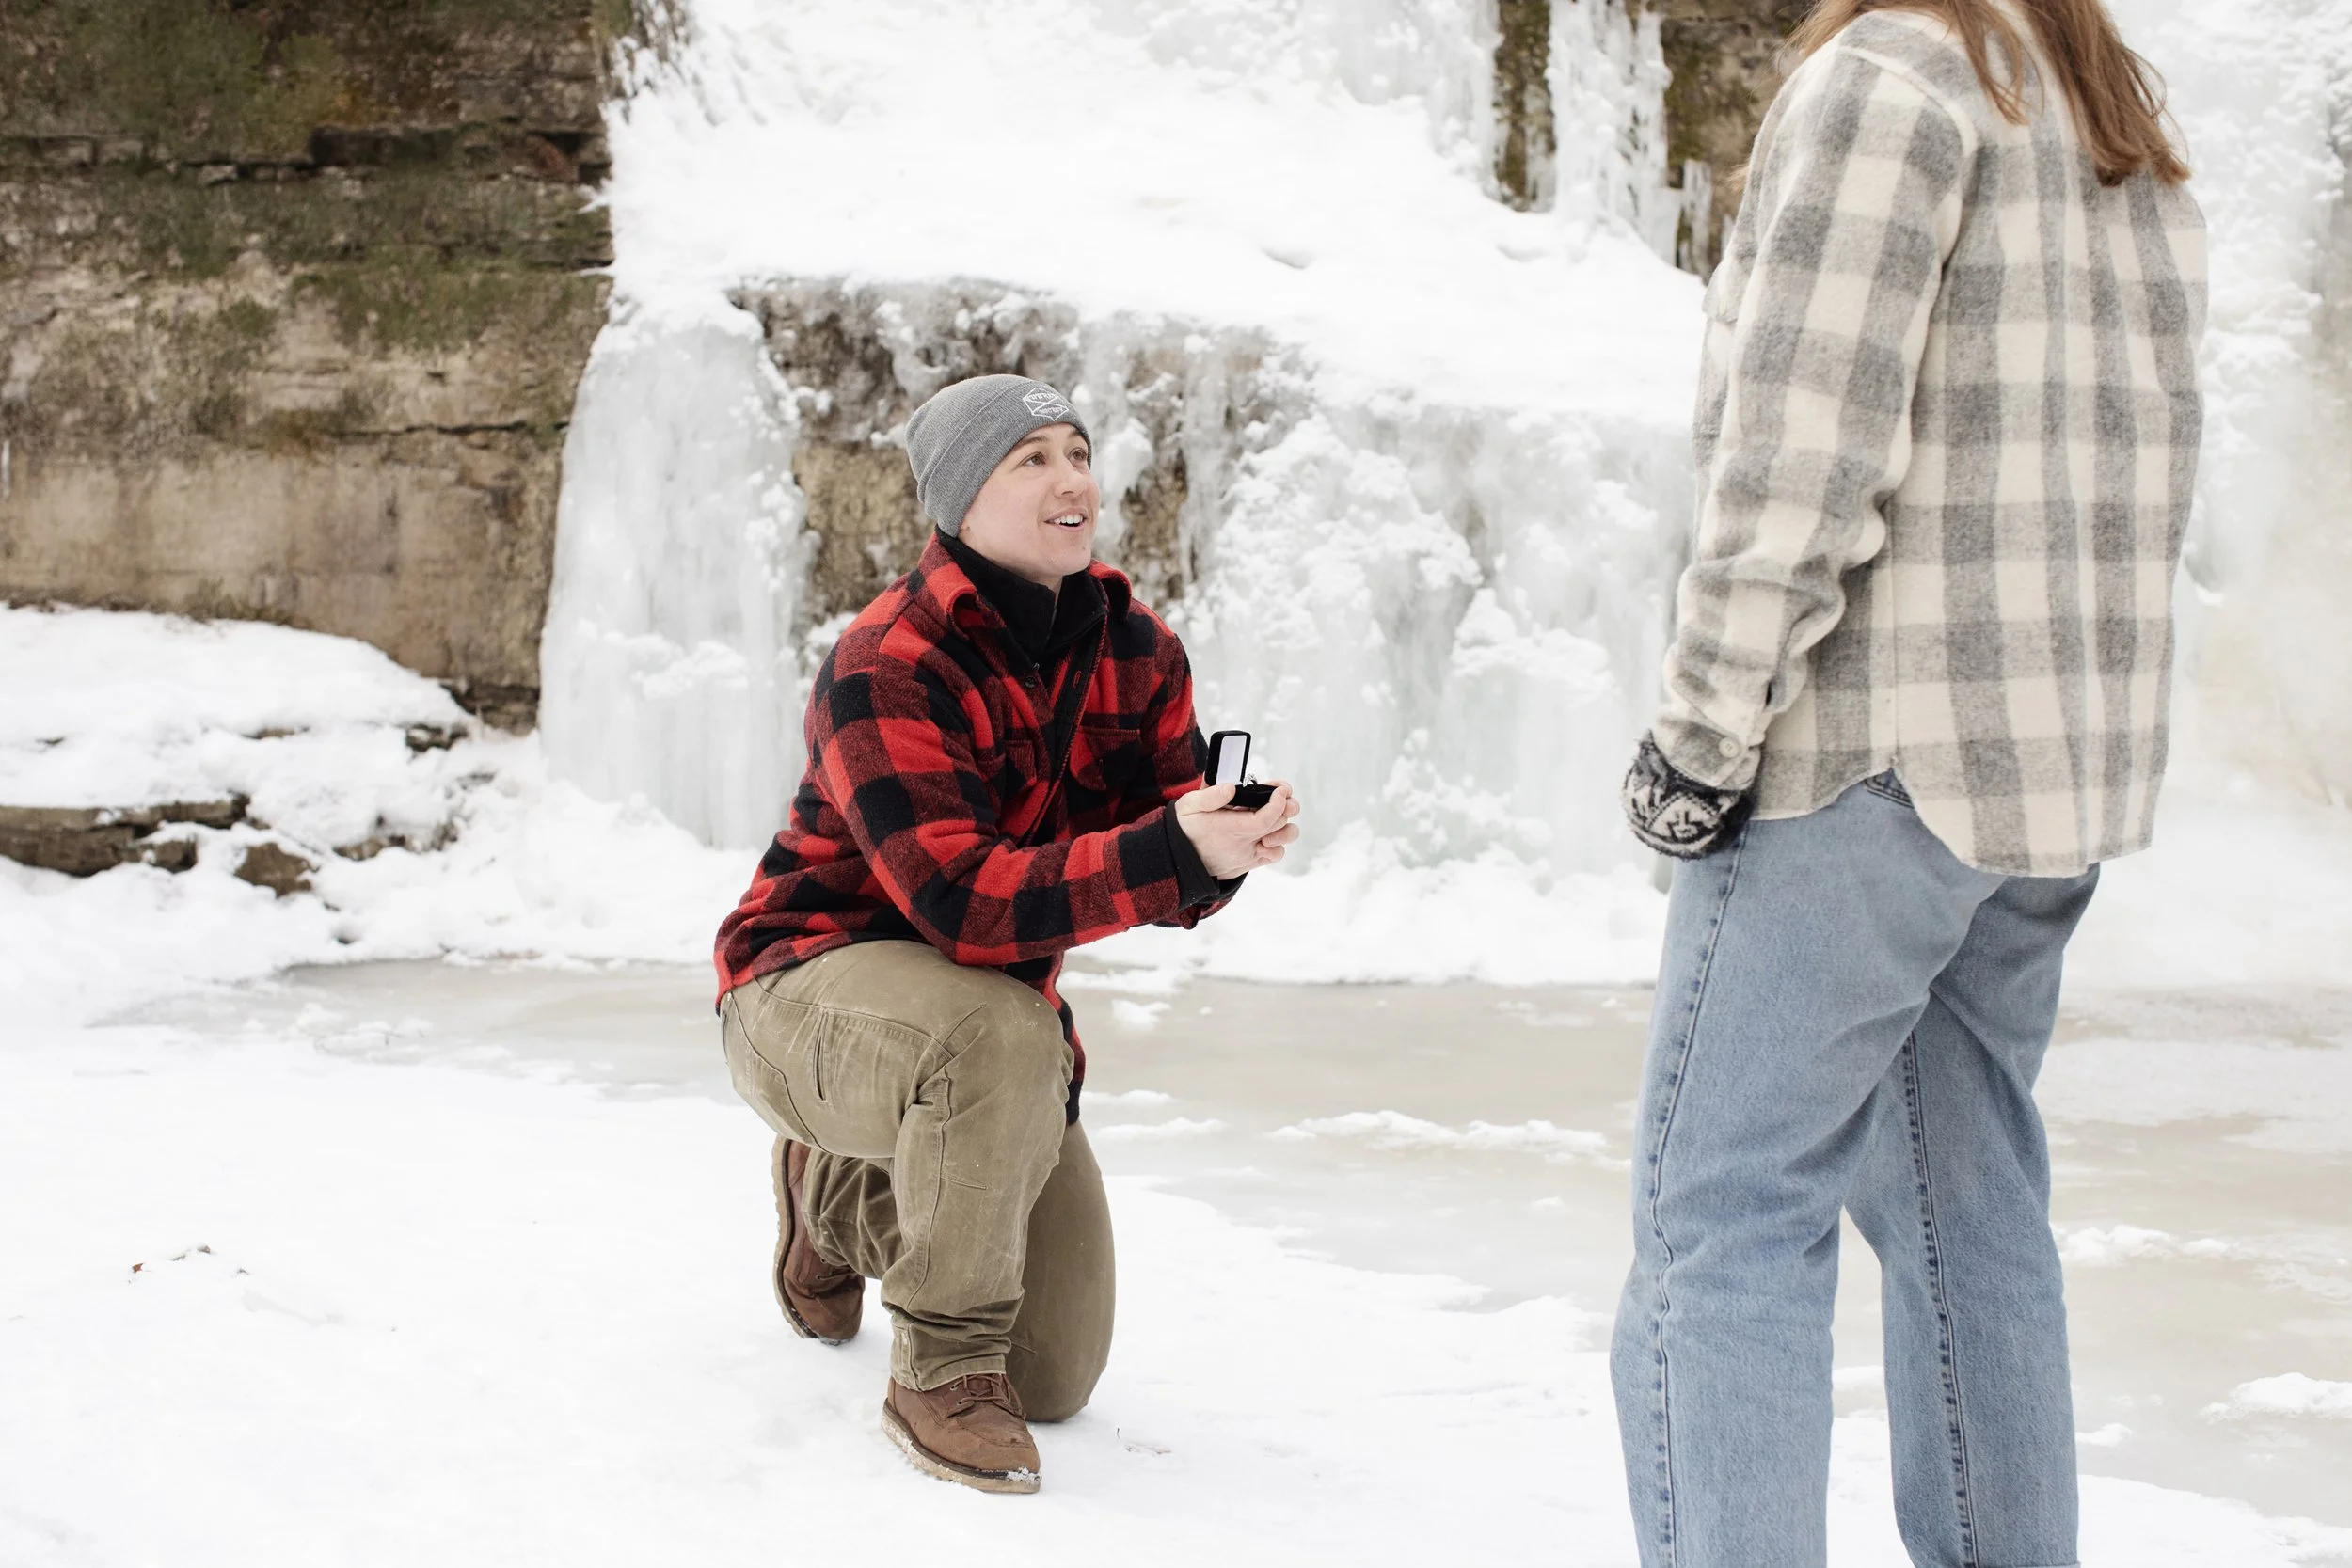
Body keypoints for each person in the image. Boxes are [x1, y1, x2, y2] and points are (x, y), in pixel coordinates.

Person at [1612, 0, 2202, 1562]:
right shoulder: (2100, 102)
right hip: (2038, 782)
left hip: (1867, 762)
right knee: (1968, 1207)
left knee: (1722, 1216)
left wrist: (1698, 739)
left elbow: (1799, 459)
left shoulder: (1890, 80)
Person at [713, 373, 1299, 1496]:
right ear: (960, 498)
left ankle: (839, 1201)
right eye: (1031, 459)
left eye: (1077, 452)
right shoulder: (887, 660)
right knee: (999, 1028)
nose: (1070, 478)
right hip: (801, 990)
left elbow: (1162, 854)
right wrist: (1169, 849)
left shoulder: (1136, 649)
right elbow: (964, 903)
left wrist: (1220, 848)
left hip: (984, 1025)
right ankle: (936, 1372)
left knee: (1054, 1369)